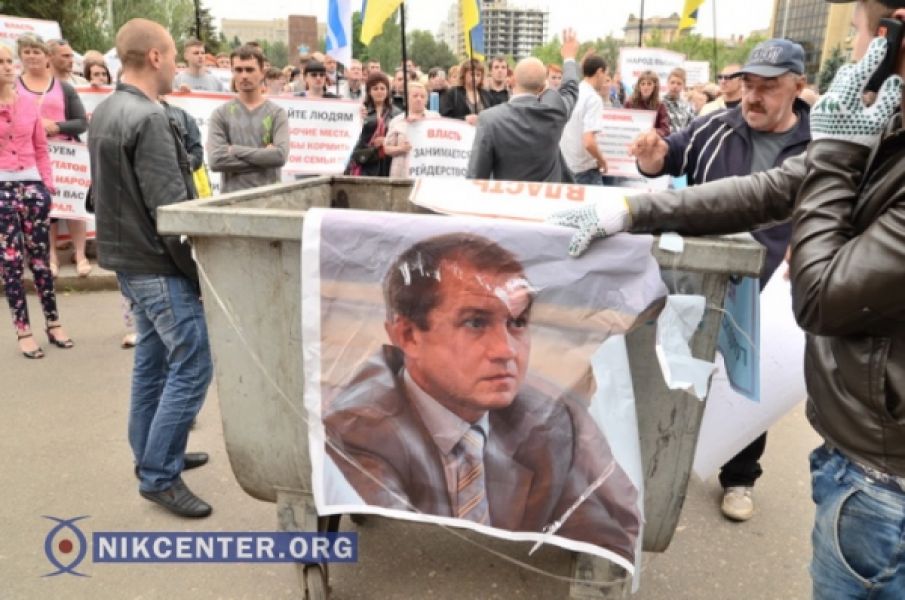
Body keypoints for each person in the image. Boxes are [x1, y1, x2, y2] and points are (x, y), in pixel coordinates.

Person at [551, 0, 905, 593]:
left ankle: (740, 475)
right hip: (864, 457)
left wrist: (837, 157)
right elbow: (759, 191)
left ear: (895, 37)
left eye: (859, 39)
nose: (853, 57)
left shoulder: (847, 137)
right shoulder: (879, 135)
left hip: (884, 483)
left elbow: (819, 295)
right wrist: (630, 210)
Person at [324, 233, 642, 562]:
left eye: (517, 322)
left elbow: (610, 535)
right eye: (475, 323)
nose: (506, 350)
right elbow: (405, 561)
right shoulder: (357, 432)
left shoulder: (551, 418)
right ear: (409, 336)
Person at [631, 39, 810, 522]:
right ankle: (662, 459)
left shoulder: (821, 144)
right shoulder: (714, 127)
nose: (753, 96)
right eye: (748, 84)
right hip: (699, 277)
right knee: (680, 367)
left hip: (769, 286)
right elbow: (668, 157)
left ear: (798, 86)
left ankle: (740, 477)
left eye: (768, 86)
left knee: (749, 379)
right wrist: (651, 156)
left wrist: (811, 240)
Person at [88, 18, 212, 518]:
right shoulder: (150, 117)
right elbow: (171, 212)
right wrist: (196, 275)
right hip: (156, 264)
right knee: (194, 361)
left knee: (153, 362)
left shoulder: (106, 109)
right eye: (174, 56)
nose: (177, 65)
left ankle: (155, 455)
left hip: (128, 260)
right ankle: (160, 473)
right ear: (156, 57)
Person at [0, 45, 73, 359]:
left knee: (41, 258)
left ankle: (53, 322)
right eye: (0, 62)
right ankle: (23, 330)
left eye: (8, 61)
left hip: (32, 184)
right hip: (2, 186)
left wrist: (47, 185)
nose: (7, 66)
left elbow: (41, 147)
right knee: (11, 261)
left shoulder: (29, 103)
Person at [16, 35, 89, 278]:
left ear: (47, 56)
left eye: (36, 51)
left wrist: (56, 126)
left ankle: (81, 254)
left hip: (66, 157)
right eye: (27, 52)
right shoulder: (12, 87)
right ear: (20, 56)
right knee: (44, 208)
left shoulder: (64, 88)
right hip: (29, 157)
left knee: (73, 203)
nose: (32, 56)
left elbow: (81, 122)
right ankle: (52, 256)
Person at [466, 29, 580, 183]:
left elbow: (476, 177)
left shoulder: (489, 119)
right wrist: (569, 57)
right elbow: (570, 88)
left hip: (506, 197)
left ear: (512, 80)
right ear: (543, 87)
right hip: (548, 198)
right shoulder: (555, 112)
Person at [207, 45, 289, 194]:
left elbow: (280, 156)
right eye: (238, 70)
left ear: (262, 73)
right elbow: (216, 161)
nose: (244, 75)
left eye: (250, 70)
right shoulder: (220, 114)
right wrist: (265, 159)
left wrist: (235, 150)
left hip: (270, 199)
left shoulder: (277, 113)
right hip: (232, 200)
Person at [559, 53, 609, 185]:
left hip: (566, 168)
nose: (605, 79)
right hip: (585, 172)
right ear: (599, 72)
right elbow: (589, 141)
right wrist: (602, 160)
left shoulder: (572, 94)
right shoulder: (593, 99)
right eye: (605, 74)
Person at [348, 72, 401, 177]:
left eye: (382, 88)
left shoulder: (397, 113)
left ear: (387, 91)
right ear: (369, 91)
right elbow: (353, 138)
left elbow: (401, 138)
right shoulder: (361, 111)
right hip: (366, 162)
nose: (379, 91)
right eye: (375, 88)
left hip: (388, 162)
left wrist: (386, 140)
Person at [383, 81, 440, 178]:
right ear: (407, 99)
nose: (419, 99)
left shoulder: (435, 118)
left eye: (422, 96)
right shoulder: (397, 121)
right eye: (415, 96)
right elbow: (387, 149)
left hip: (427, 172)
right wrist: (401, 148)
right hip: (402, 173)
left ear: (426, 100)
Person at [440, 59, 491, 125]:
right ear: (464, 74)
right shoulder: (452, 93)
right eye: (472, 74)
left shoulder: (486, 94)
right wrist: (464, 119)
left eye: (478, 75)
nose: (475, 78)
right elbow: (444, 117)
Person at [623, 70, 670, 137]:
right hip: (633, 139)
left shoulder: (660, 106)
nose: (646, 87)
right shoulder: (629, 103)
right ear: (639, 86)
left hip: (651, 141)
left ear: (654, 87)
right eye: (643, 84)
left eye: (649, 84)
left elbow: (666, 130)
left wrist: (654, 131)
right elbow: (623, 125)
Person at [662, 67, 696, 133]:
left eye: (679, 83)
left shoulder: (688, 107)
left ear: (683, 85)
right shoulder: (659, 104)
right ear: (667, 83)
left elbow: (692, 129)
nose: (675, 86)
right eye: (672, 82)